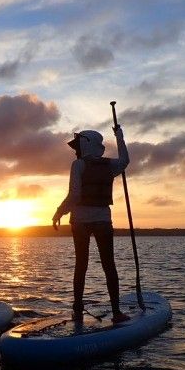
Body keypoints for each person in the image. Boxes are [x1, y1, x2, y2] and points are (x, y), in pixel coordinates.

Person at [52, 125, 131, 324]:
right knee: (109, 265)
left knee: (81, 265)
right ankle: (116, 312)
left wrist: (59, 211)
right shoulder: (109, 165)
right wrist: (120, 137)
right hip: (103, 220)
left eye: (77, 145)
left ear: (86, 145)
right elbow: (125, 161)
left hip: (80, 222)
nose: (76, 150)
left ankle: (78, 310)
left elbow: (75, 194)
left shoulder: (78, 165)